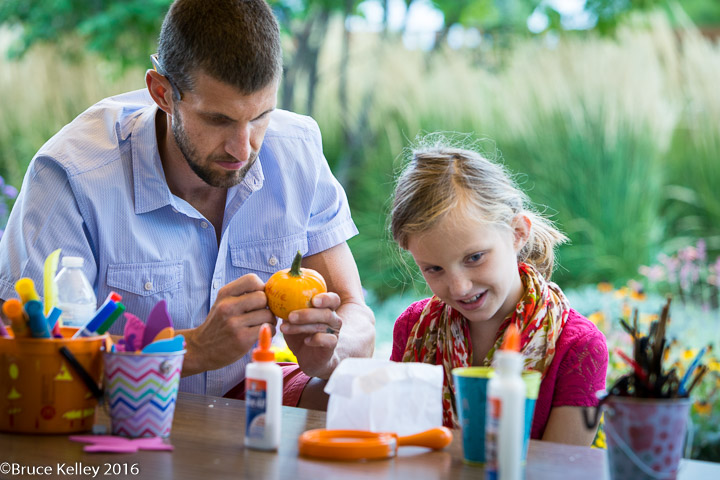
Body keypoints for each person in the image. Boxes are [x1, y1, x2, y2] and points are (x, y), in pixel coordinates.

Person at [0, 0, 374, 400]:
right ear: (162, 93)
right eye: (218, 120)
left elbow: (357, 315)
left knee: (344, 395)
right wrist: (194, 348)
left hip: (247, 394)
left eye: (260, 116)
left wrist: (330, 352)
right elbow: (26, 360)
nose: (242, 149)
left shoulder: (297, 150)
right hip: (115, 407)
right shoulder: (72, 174)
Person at [389, 137, 608, 445]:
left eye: (474, 258)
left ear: (517, 233)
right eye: (434, 269)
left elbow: (559, 466)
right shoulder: (413, 328)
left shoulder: (578, 348)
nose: (459, 287)